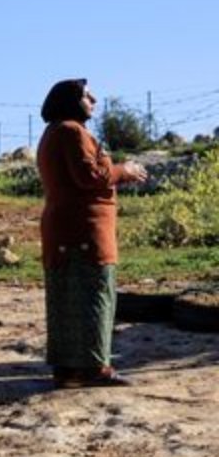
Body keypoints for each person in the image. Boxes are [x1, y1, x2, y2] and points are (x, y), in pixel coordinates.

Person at [35, 78, 147, 388]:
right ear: (70, 101)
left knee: (67, 299)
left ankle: (68, 369)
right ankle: (94, 369)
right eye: (86, 95)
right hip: (83, 230)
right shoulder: (71, 132)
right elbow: (91, 175)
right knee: (93, 296)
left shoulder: (55, 132)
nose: (93, 99)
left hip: (67, 230)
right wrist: (125, 170)